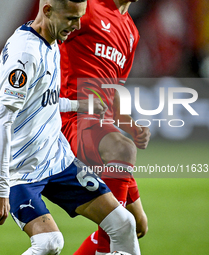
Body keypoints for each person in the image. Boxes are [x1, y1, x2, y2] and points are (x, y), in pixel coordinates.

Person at [0, 0, 141, 254]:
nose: (77, 26)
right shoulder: (25, 55)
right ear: (47, 11)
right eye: (71, 19)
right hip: (20, 170)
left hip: (56, 160)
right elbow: (2, 120)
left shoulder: (53, 41)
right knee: (49, 243)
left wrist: (77, 105)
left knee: (124, 223)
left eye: (79, 18)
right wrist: (1, 188)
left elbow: (43, 99)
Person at [59, 0, 150, 254]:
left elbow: (114, 88)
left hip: (104, 131)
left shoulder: (131, 31)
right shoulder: (86, 8)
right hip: (72, 120)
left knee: (137, 224)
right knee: (120, 224)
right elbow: (47, 39)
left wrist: (130, 126)